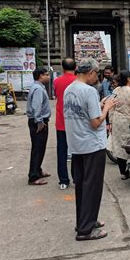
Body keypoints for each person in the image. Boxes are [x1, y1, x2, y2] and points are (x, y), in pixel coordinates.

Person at [64, 58, 116, 241]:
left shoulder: (69, 90)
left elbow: (81, 114)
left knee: (82, 186)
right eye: (97, 73)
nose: (98, 77)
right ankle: (86, 230)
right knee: (92, 187)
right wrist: (107, 108)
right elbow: (95, 122)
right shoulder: (89, 91)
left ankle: (85, 221)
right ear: (91, 72)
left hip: (77, 145)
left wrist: (99, 106)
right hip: (92, 145)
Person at [107, 70, 130, 180]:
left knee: (119, 147)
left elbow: (111, 107)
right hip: (127, 122)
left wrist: (111, 122)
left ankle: (123, 173)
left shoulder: (116, 90)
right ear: (127, 79)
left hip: (117, 121)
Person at [53, 58, 77, 190]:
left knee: (61, 152)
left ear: (62, 68)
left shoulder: (57, 81)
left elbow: (57, 96)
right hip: (76, 122)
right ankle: (76, 178)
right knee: (77, 152)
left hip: (61, 121)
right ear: (76, 67)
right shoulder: (78, 81)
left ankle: (63, 180)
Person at [26, 68, 51, 186]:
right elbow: (37, 106)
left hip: (38, 120)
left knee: (40, 148)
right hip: (38, 122)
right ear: (41, 76)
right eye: (47, 75)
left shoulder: (39, 87)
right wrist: (40, 122)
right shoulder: (38, 89)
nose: (48, 77)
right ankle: (33, 177)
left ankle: (38, 170)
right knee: (37, 149)